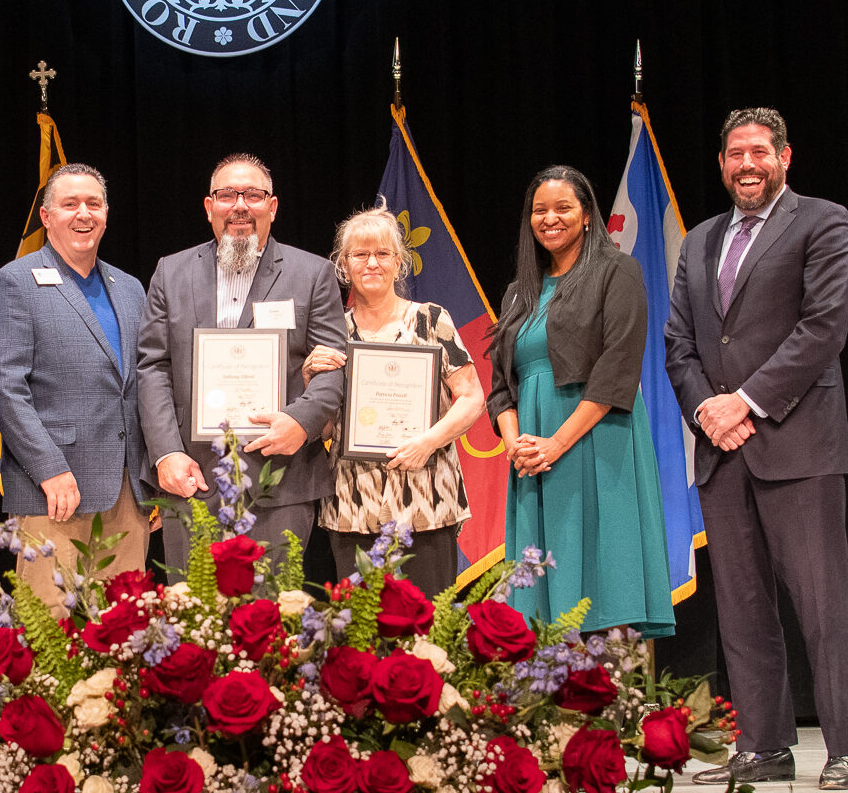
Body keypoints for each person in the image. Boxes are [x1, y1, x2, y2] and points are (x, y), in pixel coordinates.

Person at [665, 107, 848, 789]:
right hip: (722, 451)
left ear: (785, 156)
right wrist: (706, 410)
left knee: (820, 601)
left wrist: (742, 402)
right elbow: (681, 345)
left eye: (758, 151)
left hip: (797, 441)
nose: (746, 163)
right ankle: (765, 744)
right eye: (734, 153)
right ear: (721, 163)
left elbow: (822, 328)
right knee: (744, 610)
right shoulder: (698, 241)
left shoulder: (824, 221)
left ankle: (845, 748)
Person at [137, 152, 348, 572]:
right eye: (227, 194)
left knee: (271, 622)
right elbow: (152, 366)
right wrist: (166, 454)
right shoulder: (170, 272)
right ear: (209, 207)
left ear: (272, 207)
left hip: (281, 479)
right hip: (190, 476)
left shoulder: (313, 273)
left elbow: (333, 365)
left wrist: (301, 422)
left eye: (253, 195)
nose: (239, 205)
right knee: (195, 624)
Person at [488, 165, 675, 639]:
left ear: (588, 215)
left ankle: (607, 699)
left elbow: (617, 370)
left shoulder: (617, 271)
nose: (550, 218)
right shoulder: (518, 294)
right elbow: (500, 388)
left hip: (594, 440)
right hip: (532, 454)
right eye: (539, 210)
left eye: (563, 208)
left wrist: (557, 443)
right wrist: (517, 447)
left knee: (598, 581)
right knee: (542, 594)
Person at [0, 164, 149, 615]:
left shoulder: (131, 289)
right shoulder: (14, 282)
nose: (84, 214)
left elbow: (143, 385)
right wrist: (48, 468)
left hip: (127, 493)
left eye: (93, 204)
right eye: (70, 204)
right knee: (51, 642)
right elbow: (6, 388)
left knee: (123, 636)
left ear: (106, 213)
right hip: (55, 491)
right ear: (46, 215)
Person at [301, 202, 485, 592]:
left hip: (426, 501)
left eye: (382, 253)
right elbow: (328, 425)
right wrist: (308, 383)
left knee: (426, 634)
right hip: (354, 505)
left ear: (399, 262)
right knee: (360, 637)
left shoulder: (432, 320)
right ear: (344, 264)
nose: (371, 263)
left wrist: (428, 441)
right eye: (360, 254)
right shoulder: (332, 331)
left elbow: (471, 398)